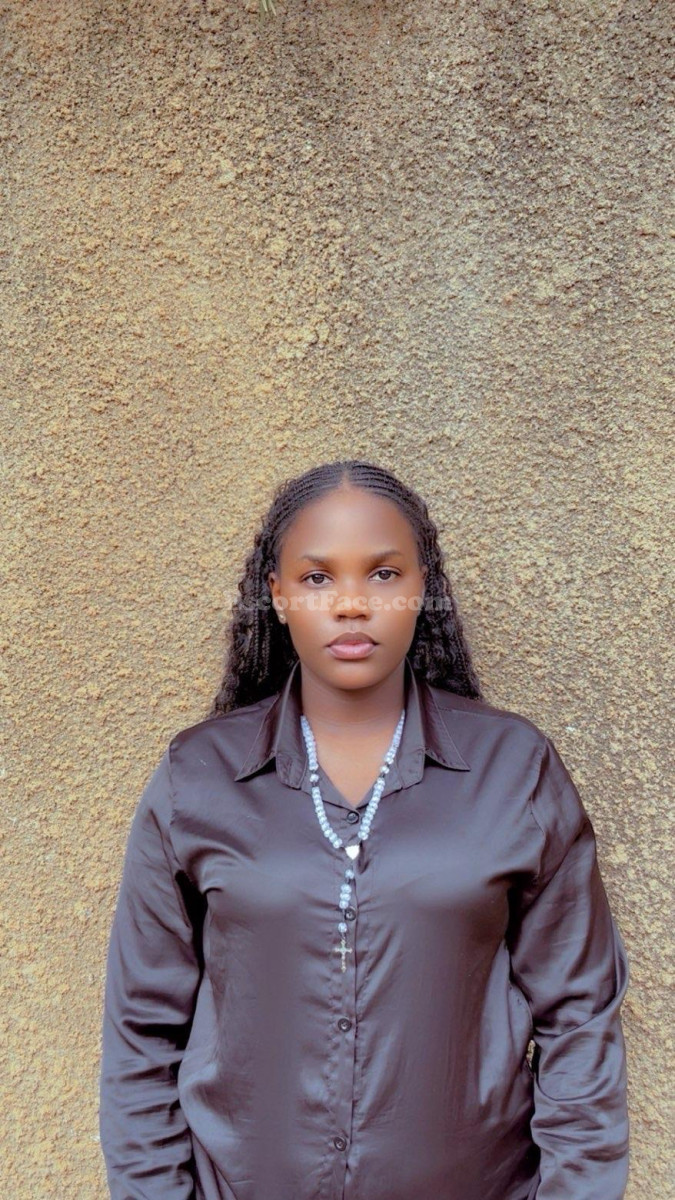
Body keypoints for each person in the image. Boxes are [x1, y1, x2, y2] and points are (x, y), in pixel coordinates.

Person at [98, 459, 630, 1200]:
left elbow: (580, 1019)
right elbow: (141, 1030)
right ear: (277, 594)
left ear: (422, 589)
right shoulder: (198, 778)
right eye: (318, 578)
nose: (351, 603)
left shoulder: (516, 770)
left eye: (383, 574)